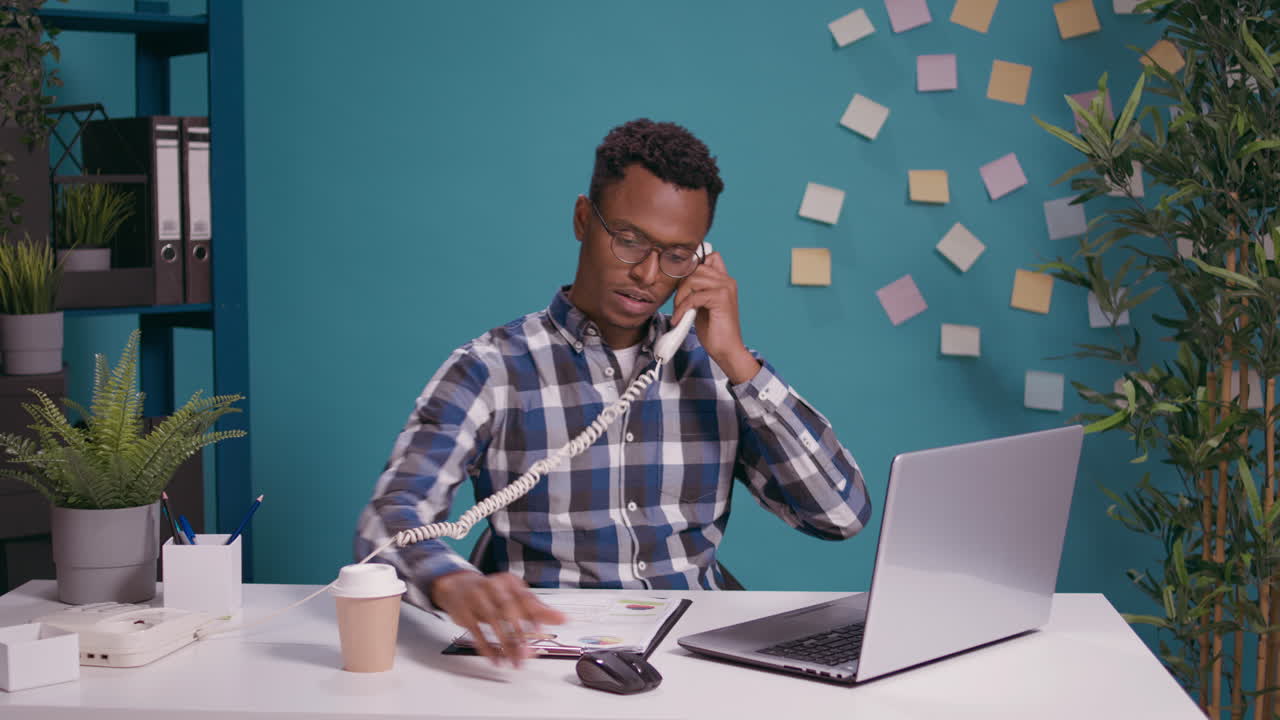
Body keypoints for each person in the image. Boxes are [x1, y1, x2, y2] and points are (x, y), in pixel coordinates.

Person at [355, 118, 872, 667]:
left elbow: (840, 516)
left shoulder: (718, 371)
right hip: (545, 657)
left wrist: (738, 362)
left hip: (697, 660)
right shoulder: (492, 368)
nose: (648, 273)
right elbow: (390, 516)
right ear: (583, 219)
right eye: (629, 240)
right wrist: (450, 583)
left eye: (677, 255)